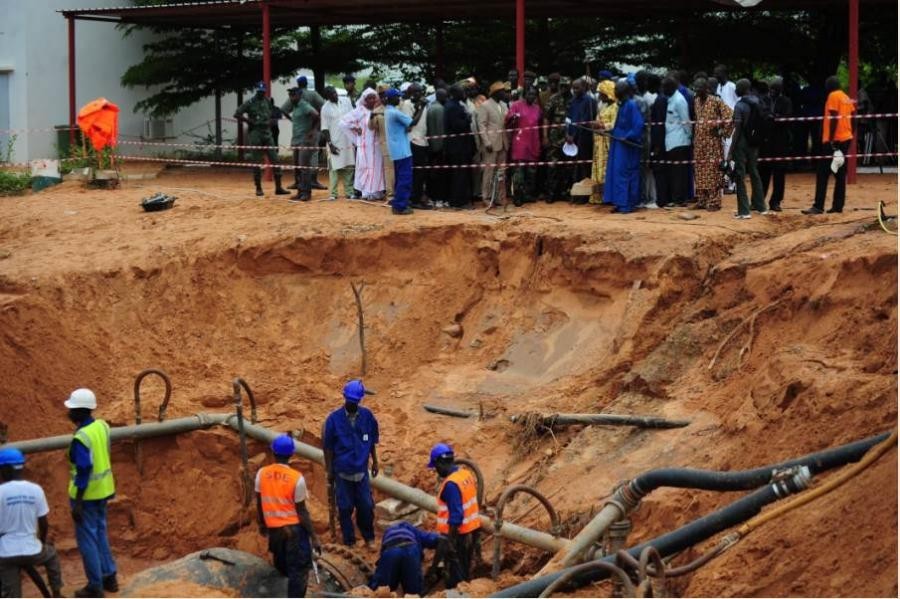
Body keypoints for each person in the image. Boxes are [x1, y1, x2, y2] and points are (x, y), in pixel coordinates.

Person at [65, 388, 118, 598]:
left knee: (88, 540)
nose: (68, 413)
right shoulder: (102, 426)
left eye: (71, 410)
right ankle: (110, 577)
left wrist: (77, 502)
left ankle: (95, 586)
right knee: (100, 534)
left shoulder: (81, 438)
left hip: (86, 497)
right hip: (104, 492)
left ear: (80, 412)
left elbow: (85, 469)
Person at [256, 434, 321, 598]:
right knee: (298, 572)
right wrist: (314, 536)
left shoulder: (262, 473)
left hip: (275, 532)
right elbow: (301, 511)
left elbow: (259, 503)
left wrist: (263, 525)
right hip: (294, 532)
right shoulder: (296, 478)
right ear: (291, 454)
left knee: (282, 566)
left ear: (273, 452)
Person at [0, 448, 63, 599]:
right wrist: (40, 542)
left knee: (11, 592)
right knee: (52, 556)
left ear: (5, 469)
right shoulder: (36, 490)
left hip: (5, 554)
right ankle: (56, 593)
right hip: (33, 551)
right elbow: (43, 523)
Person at [323, 379, 379, 548]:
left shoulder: (368, 417)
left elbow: (372, 441)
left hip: (361, 472)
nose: (352, 404)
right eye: (350, 401)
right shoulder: (333, 420)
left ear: (360, 400)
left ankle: (368, 536)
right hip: (342, 472)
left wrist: (375, 462)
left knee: (366, 506)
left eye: (355, 401)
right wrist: (329, 470)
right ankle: (349, 541)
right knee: (345, 508)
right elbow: (328, 448)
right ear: (344, 398)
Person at [428, 443, 480, 589]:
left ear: (441, 462)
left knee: (455, 579)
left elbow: (456, 516)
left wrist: (450, 543)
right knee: (463, 570)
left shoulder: (451, 485)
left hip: (458, 537)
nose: (436, 470)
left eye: (435, 466)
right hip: (470, 532)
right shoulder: (465, 474)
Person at [802, 75, 856, 215]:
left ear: (829, 86)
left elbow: (833, 116)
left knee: (822, 172)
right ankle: (838, 206)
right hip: (845, 138)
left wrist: (831, 139)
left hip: (834, 141)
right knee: (839, 174)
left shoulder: (832, 96)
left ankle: (818, 206)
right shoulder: (846, 97)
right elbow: (854, 117)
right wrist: (850, 134)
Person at [234, 81, 289, 197]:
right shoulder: (250, 103)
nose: (261, 94)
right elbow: (237, 114)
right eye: (259, 92)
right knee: (257, 161)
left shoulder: (267, 101)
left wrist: (271, 120)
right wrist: (249, 121)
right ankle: (258, 187)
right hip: (255, 133)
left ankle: (278, 187)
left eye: (263, 92)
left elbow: (272, 112)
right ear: (256, 91)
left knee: (275, 159)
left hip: (267, 133)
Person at [727, 78, 768, 219]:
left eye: (737, 88)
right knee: (754, 172)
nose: (735, 90)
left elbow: (737, 130)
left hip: (742, 142)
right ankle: (761, 206)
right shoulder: (757, 101)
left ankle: (744, 211)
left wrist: (731, 151)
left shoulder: (739, 106)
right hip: (755, 141)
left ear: (741, 89)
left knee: (740, 175)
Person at [603, 80, 645, 214]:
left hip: (627, 146)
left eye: (617, 91)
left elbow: (638, 125)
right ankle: (619, 202)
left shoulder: (632, 105)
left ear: (624, 92)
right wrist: (610, 131)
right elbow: (619, 125)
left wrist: (628, 136)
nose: (615, 93)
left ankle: (627, 204)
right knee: (615, 173)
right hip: (617, 144)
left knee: (625, 173)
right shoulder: (622, 105)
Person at [692, 76, 733, 211]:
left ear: (706, 89)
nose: (697, 90)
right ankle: (702, 200)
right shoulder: (696, 101)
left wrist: (721, 131)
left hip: (712, 143)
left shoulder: (716, 101)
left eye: (700, 88)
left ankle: (714, 202)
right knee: (700, 171)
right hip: (699, 142)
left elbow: (730, 116)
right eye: (696, 88)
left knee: (713, 172)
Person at [368, 522, 441, 596]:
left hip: (391, 550)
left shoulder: (389, 531)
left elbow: (383, 556)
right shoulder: (414, 531)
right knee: (413, 592)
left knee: (381, 588)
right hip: (411, 550)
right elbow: (431, 539)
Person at [385, 88, 424, 215]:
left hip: (396, 150)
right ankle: (400, 206)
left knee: (400, 179)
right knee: (405, 179)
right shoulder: (395, 113)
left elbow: (406, 125)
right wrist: (422, 108)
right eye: (397, 97)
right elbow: (413, 123)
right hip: (403, 151)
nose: (399, 99)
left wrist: (417, 109)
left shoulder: (389, 111)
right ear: (391, 98)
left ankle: (399, 202)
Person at [341, 89, 385, 200]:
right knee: (366, 168)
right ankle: (367, 192)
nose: (372, 100)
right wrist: (355, 128)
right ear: (365, 100)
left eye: (374, 97)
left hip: (377, 145)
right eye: (369, 98)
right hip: (365, 146)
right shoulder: (359, 111)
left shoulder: (378, 110)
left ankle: (377, 192)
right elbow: (343, 122)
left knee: (377, 168)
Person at [759, 77, 793, 211]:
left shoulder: (786, 101)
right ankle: (759, 200)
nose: (773, 91)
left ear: (781, 90)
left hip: (780, 142)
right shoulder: (764, 100)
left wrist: (776, 117)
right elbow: (761, 115)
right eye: (771, 89)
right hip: (766, 141)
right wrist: (769, 116)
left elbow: (788, 117)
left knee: (779, 173)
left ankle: (776, 201)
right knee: (763, 172)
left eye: (776, 89)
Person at [506, 86, 543, 206]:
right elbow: (508, 120)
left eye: (534, 94)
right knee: (519, 172)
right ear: (525, 94)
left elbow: (540, 124)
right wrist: (513, 117)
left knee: (531, 172)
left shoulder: (537, 108)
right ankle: (517, 195)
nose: (531, 96)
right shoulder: (516, 105)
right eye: (529, 94)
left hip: (533, 141)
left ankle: (527, 194)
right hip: (520, 142)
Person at [281, 87, 320, 202]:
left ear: (299, 95)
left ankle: (306, 193)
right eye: (290, 95)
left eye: (294, 95)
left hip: (305, 141)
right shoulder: (295, 106)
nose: (291, 97)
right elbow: (283, 111)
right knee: (298, 168)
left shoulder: (304, 105)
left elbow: (317, 116)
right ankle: (300, 192)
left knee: (304, 168)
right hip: (296, 140)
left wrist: (313, 131)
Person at [477, 82, 510, 207]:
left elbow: (506, 121)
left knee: (501, 172)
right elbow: (482, 125)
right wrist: (486, 142)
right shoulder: (485, 106)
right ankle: (486, 197)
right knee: (489, 172)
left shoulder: (503, 105)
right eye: (502, 91)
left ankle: (499, 197)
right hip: (491, 144)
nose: (505, 93)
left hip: (503, 142)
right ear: (496, 93)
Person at [565, 78, 598, 202]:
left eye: (577, 88)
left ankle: (585, 196)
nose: (574, 90)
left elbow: (586, 120)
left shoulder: (590, 101)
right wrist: (568, 134)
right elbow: (568, 118)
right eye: (573, 88)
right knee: (574, 167)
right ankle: (575, 194)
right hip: (572, 139)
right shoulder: (572, 101)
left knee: (585, 166)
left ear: (584, 87)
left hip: (584, 139)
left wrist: (575, 135)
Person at [661, 76, 692, 206]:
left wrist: (690, 137)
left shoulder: (679, 100)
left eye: (665, 87)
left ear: (671, 87)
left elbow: (686, 121)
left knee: (679, 173)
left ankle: (680, 199)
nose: (663, 90)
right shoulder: (670, 99)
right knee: (674, 172)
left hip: (680, 141)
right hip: (671, 141)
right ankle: (676, 198)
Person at [321, 86, 356, 200]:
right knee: (334, 169)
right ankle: (333, 193)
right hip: (334, 141)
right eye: (331, 94)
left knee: (349, 166)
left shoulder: (346, 101)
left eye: (334, 92)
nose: (334, 95)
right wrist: (330, 144)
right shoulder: (325, 108)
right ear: (327, 97)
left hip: (348, 139)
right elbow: (325, 128)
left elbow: (353, 117)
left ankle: (349, 192)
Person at [445, 85, 476, 208]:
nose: (464, 93)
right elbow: (457, 126)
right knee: (460, 174)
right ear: (454, 93)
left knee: (462, 174)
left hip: (462, 145)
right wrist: (468, 119)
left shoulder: (457, 105)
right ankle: (459, 201)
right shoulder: (452, 107)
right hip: (458, 146)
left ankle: (460, 199)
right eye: (461, 91)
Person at [544, 76, 574, 202]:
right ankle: (551, 194)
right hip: (554, 139)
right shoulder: (553, 99)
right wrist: (544, 136)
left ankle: (564, 192)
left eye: (566, 86)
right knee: (552, 168)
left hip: (569, 139)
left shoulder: (573, 100)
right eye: (561, 86)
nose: (563, 88)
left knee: (567, 167)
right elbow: (546, 118)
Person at [404, 84, 433, 209]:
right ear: (411, 93)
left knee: (421, 173)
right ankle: (414, 199)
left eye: (421, 92)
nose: (420, 94)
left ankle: (418, 196)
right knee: (417, 172)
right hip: (413, 141)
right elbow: (410, 124)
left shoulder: (424, 105)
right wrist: (420, 107)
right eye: (417, 92)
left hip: (423, 141)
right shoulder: (407, 104)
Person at [590, 80, 618, 204]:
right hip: (598, 143)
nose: (600, 96)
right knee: (598, 170)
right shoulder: (604, 106)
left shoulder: (615, 107)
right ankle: (598, 196)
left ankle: (607, 196)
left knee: (606, 170)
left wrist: (601, 125)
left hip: (607, 142)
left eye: (601, 93)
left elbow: (614, 124)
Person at [636, 71, 660, 208]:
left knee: (649, 168)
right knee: (644, 169)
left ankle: (651, 198)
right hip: (644, 136)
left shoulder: (650, 98)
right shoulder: (642, 98)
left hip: (648, 136)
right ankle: (646, 197)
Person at [370, 87, 395, 198]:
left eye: (384, 94)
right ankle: (391, 193)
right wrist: (371, 117)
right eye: (380, 95)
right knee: (389, 171)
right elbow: (371, 127)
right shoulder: (377, 111)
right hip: (386, 145)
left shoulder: (397, 107)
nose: (383, 97)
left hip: (400, 144)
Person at [426, 87, 449, 207]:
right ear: (440, 97)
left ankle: (432, 197)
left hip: (430, 146)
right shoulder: (440, 109)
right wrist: (443, 147)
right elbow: (441, 131)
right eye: (445, 96)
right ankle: (439, 198)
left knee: (432, 174)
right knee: (440, 174)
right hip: (439, 147)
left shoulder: (430, 107)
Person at [465, 81, 485, 202]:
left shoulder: (481, 100)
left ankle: (477, 192)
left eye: (474, 89)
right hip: (469, 140)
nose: (472, 91)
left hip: (478, 140)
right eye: (470, 89)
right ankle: (471, 192)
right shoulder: (465, 103)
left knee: (478, 168)